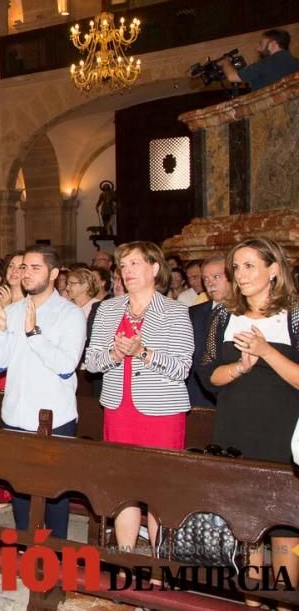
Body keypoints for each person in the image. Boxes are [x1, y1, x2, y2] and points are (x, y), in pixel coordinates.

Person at [198, 237, 299, 585]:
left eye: (249, 265)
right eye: (236, 267)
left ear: (273, 270)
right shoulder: (225, 315)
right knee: (245, 525)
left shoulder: (295, 314)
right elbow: (208, 375)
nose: (240, 274)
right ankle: (253, 597)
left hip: (281, 435)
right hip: (234, 429)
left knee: (286, 528)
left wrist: (266, 351)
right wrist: (241, 367)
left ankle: (285, 599)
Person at [84, 241, 192, 552]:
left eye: (135, 264)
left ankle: (158, 570)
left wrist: (144, 352)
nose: (127, 271)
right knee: (123, 488)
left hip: (161, 414)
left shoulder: (174, 311)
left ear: (155, 268)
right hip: (120, 410)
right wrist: (115, 353)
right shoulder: (108, 308)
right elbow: (91, 363)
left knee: (159, 492)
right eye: (123, 265)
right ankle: (126, 558)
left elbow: (182, 368)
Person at [0, 245, 86, 539]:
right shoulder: (14, 310)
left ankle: (55, 556)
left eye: (34, 268)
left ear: (54, 274)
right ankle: (26, 550)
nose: (25, 274)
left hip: (53, 417)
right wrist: (3, 327)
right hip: (16, 413)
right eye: (23, 268)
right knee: (19, 489)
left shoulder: (70, 315)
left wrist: (33, 333)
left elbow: (67, 365)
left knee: (54, 492)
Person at [185, 254, 227, 407]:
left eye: (216, 277)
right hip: (197, 398)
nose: (210, 283)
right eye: (206, 279)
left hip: (233, 397)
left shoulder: (247, 314)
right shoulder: (192, 313)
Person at [221, 28, 299, 92]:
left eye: (261, 44)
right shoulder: (296, 63)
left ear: (273, 44)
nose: (258, 48)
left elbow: (232, 77)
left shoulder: (267, 63)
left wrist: (225, 61)